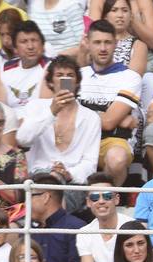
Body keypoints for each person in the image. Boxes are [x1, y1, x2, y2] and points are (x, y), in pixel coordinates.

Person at [17, 57, 101, 185]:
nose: (65, 79)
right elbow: (23, 139)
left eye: (70, 75)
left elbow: (90, 163)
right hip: (38, 178)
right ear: (50, 82)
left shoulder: (91, 117)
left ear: (77, 82)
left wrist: (69, 174)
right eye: (59, 75)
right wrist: (51, 111)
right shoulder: (34, 107)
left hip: (72, 183)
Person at [79, 19, 143, 187]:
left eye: (107, 42)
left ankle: (107, 196)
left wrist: (82, 115)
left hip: (112, 140)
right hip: (79, 140)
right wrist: (114, 118)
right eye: (97, 42)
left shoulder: (131, 77)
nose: (102, 48)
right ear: (87, 43)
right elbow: (64, 115)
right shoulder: (76, 75)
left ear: (116, 44)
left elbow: (108, 123)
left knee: (117, 159)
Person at [77, 172, 137, 262]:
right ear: (88, 202)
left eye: (107, 196)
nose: (101, 201)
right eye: (95, 197)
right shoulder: (84, 233)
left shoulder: (132, 226)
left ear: (116, 199)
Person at [28, 173, 87, 262]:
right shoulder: (27, 230)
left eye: (29, 196)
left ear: (45, 197)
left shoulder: (76, 228)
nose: (25, 203)